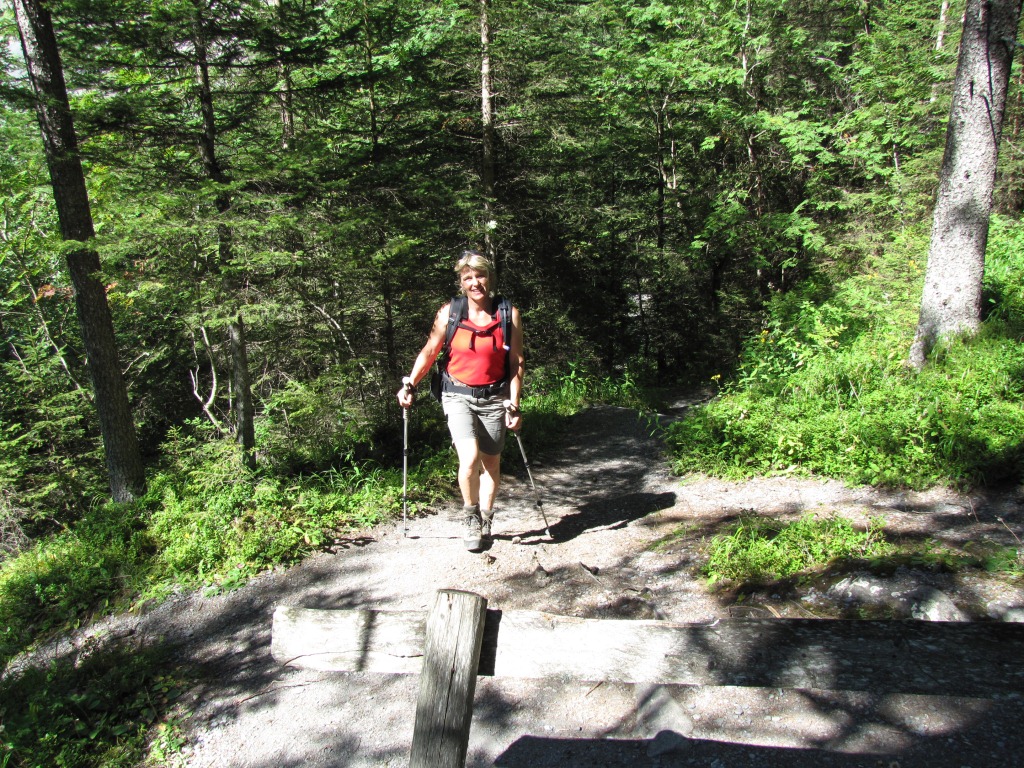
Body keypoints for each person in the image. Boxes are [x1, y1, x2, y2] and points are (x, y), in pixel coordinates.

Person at [397, 250, 524, 551]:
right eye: (468, 278)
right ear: (461, 282)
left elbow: (516, 362)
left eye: (479, 276)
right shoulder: (449, 313)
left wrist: (515, 404)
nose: (475, 282)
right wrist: (410, 383)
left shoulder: (508, 314)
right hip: (457, 395)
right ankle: (471, 517)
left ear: (489, 278)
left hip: (495, 397)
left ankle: (487, 516)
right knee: (469, 459)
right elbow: (430, 351)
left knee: (491, 462)